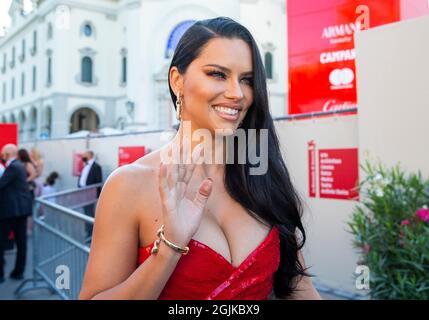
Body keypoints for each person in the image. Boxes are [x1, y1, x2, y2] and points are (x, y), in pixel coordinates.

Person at [80, 17, 321, 300]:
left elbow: (301, 290)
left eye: (246, 79)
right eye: (217, 74)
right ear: (177, 81)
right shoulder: (129, 184)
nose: (237, 93)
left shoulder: (262, 175)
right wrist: (170, 247)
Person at [0, 144, 33, 283]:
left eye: (3, 153)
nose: (2, 155)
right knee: (21, 242)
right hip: (21, 210)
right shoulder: (19, 166)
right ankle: (18, 272)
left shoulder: (13, 167)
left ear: (8, 154)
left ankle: (1, 274)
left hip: (11, 211)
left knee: (1, 242)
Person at [78, 151, 103, 237]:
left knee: (89, 212)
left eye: (85, 154)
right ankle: (88, 231)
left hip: (90, 194)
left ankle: (91, 234)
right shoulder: (85, 165)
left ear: (90, 155)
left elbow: (98, 181)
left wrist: (97, 196)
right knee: (85, 211)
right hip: (83, 192)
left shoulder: (97, 167)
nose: (83, 155)